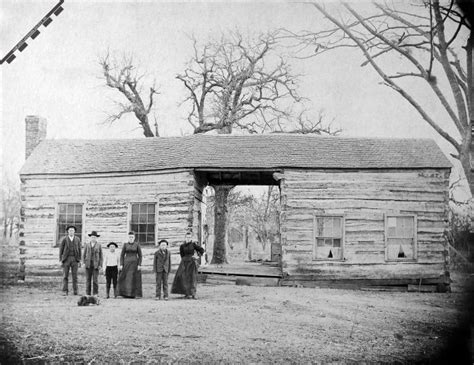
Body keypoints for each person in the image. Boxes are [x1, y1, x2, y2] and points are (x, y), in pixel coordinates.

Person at [171, 230, 204, 299]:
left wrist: (197, 256)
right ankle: (186, 293)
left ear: (191, 238)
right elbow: (182, 255)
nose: (188, 238)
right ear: (185, 238)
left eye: (189, 237)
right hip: (184, 262)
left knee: (192, 278)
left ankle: (193, 293)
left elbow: (201, 250)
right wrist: (184, 261)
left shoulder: (193, 245)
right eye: (187, 237)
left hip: (192, 262)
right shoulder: (182, 246)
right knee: (183, 277)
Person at [118, 231, 143, 298]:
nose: (131, 238)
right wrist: (121, 264)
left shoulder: (137, 245)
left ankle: (135, 294)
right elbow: (122, 255)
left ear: (134, 238)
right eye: (129, 237)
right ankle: (126, 294)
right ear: (128, 238)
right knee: (126, 278)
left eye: (132, 237)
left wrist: (139, 264)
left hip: (135, 263)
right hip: (126, 263)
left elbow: (140, 255)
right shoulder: (125, 245)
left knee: (134, 278)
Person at [59, 225, 82, 296]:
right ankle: (64, 291)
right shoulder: (64, 239)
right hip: (66, 259)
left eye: (72, 230)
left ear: (74, 231)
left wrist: (79, 260)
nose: (71, 231)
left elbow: (79, 250)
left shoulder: (77, 239)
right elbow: (61, 250)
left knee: (75, 276)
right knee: (65, 276)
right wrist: (61, 260)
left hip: (75, 259)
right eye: (70, 230)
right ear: (68, 231)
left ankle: (75, 291)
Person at [83, 231, 103, 296]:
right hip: (88, 264)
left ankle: (95, 293)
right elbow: (84, 254)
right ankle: (87, 293)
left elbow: (101, 256)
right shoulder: (87, 245)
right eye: (92, 237)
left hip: (96, 265)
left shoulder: (99, 245)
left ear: (96, 238)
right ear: (90, 238)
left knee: (95, 280)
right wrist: (83, 263)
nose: (93, 238)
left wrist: (100, 264)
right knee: (88, 280)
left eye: (94, 237)